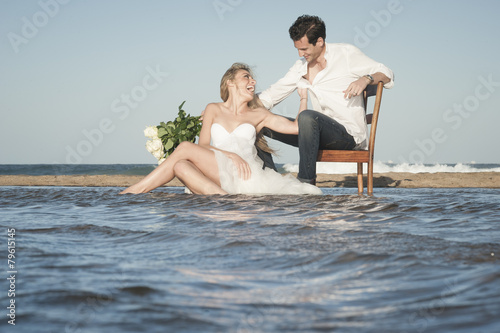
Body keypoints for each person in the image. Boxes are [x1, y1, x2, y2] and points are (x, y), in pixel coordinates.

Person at [120, 63, 322, 195]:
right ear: (230, 83)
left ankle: (133, 191)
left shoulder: (259, 115)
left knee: (183, 148)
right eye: (246, 77)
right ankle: (223, 197)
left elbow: (297, 127)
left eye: (252, 79)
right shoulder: (213, 109)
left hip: (244, 173)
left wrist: (303, 97)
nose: (252, 81)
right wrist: (229, 155)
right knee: (180, 165)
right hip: (219, 167)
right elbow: (204, 145)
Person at [258, 15, 394, 185]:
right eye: (298, 49)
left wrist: (365, 79)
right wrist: (236, 105)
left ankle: (306, 185)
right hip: (315, 133)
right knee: (259, 122)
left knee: (307, 116)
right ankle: (270, 180)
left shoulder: (345, 54)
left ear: (320, 41)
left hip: (349, 137)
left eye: (304, 49)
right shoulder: (300, 67)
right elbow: (270, 96)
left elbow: (386, 73)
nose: (301, 54)